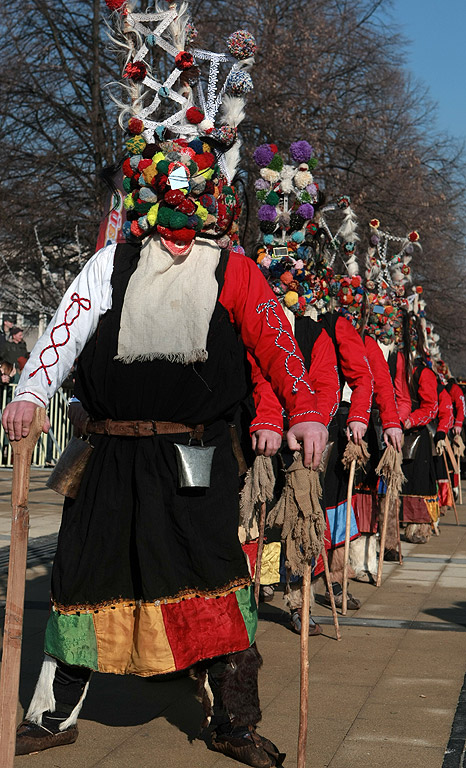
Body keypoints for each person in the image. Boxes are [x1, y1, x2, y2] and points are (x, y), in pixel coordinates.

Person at [1, 8, 327, 766]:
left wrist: (307, 411)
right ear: (145, 184)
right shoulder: (109, 264)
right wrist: (28, 394)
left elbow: (280, 345)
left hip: (196, 461)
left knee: (211, 580)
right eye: (166, 180)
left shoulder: (234, 269)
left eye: (196, 183)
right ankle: (53, 717)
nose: (181, 203)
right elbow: (63, 330)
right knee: (81, 582)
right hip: (109, 459)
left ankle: (234, 722)